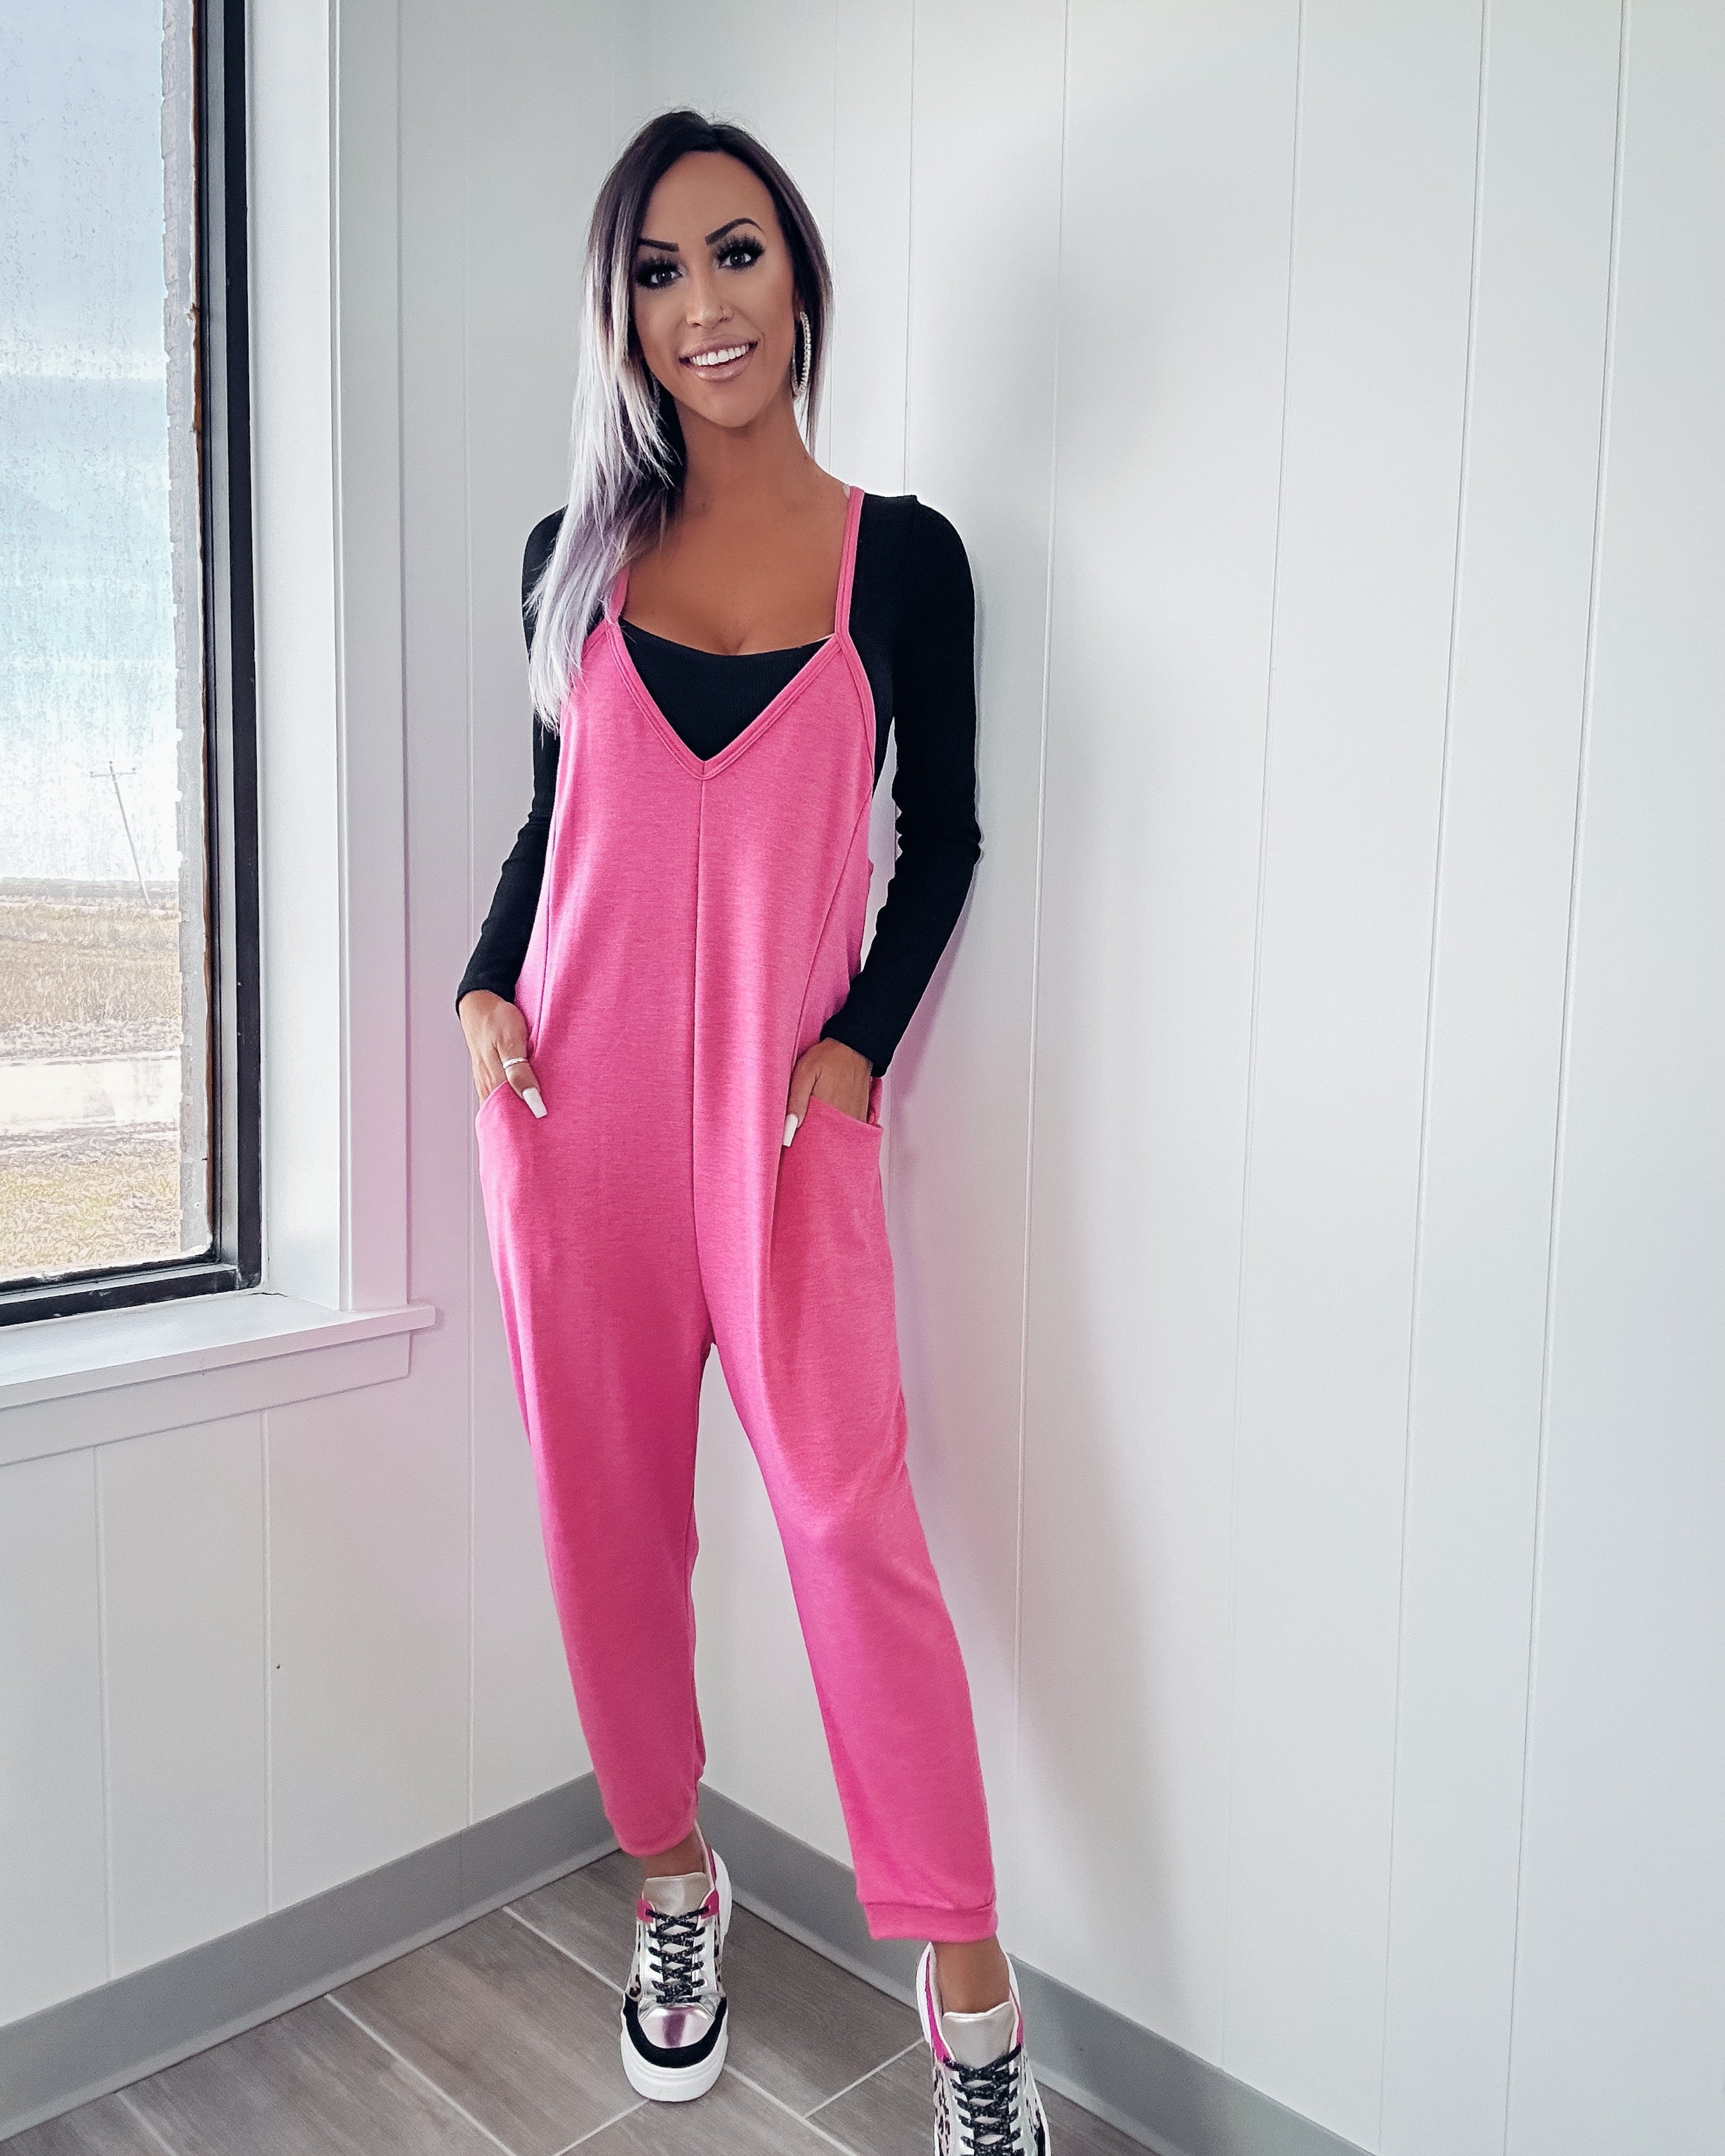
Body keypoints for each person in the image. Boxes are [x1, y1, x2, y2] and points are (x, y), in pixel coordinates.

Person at [456, 107, 1049, 2155]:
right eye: (656, 271)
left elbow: (940, 836)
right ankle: (673, 1891)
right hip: (576, 1117)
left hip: (785, 1132)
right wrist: (482, 990)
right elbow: (551, 829)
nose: (701, 304)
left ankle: (971, 2005)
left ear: (796, 278)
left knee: (848, 1531)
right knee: (606, 1527)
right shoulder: (567, 564)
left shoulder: (907, 559)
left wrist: (860, 1048)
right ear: (619, 316)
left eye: (734, 254)